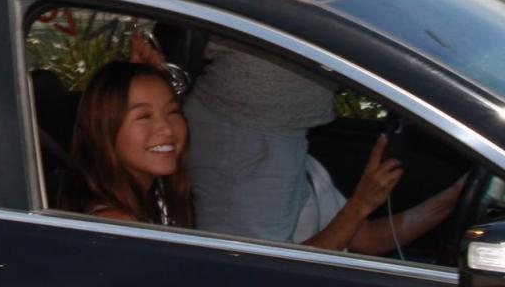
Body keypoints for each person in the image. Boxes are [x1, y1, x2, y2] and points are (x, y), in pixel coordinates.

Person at [182, 40, 462, 253]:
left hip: (273, 125)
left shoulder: (286, 151)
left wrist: (449, 202)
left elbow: (362, 239)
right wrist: (360, 204)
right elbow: (271, 277)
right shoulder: (241, 161)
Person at [57, 61, 194, 228]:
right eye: (144, 116)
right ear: (105, 128)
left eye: (172, 111)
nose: (166, 128)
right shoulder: (116, 225)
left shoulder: (150, 196)